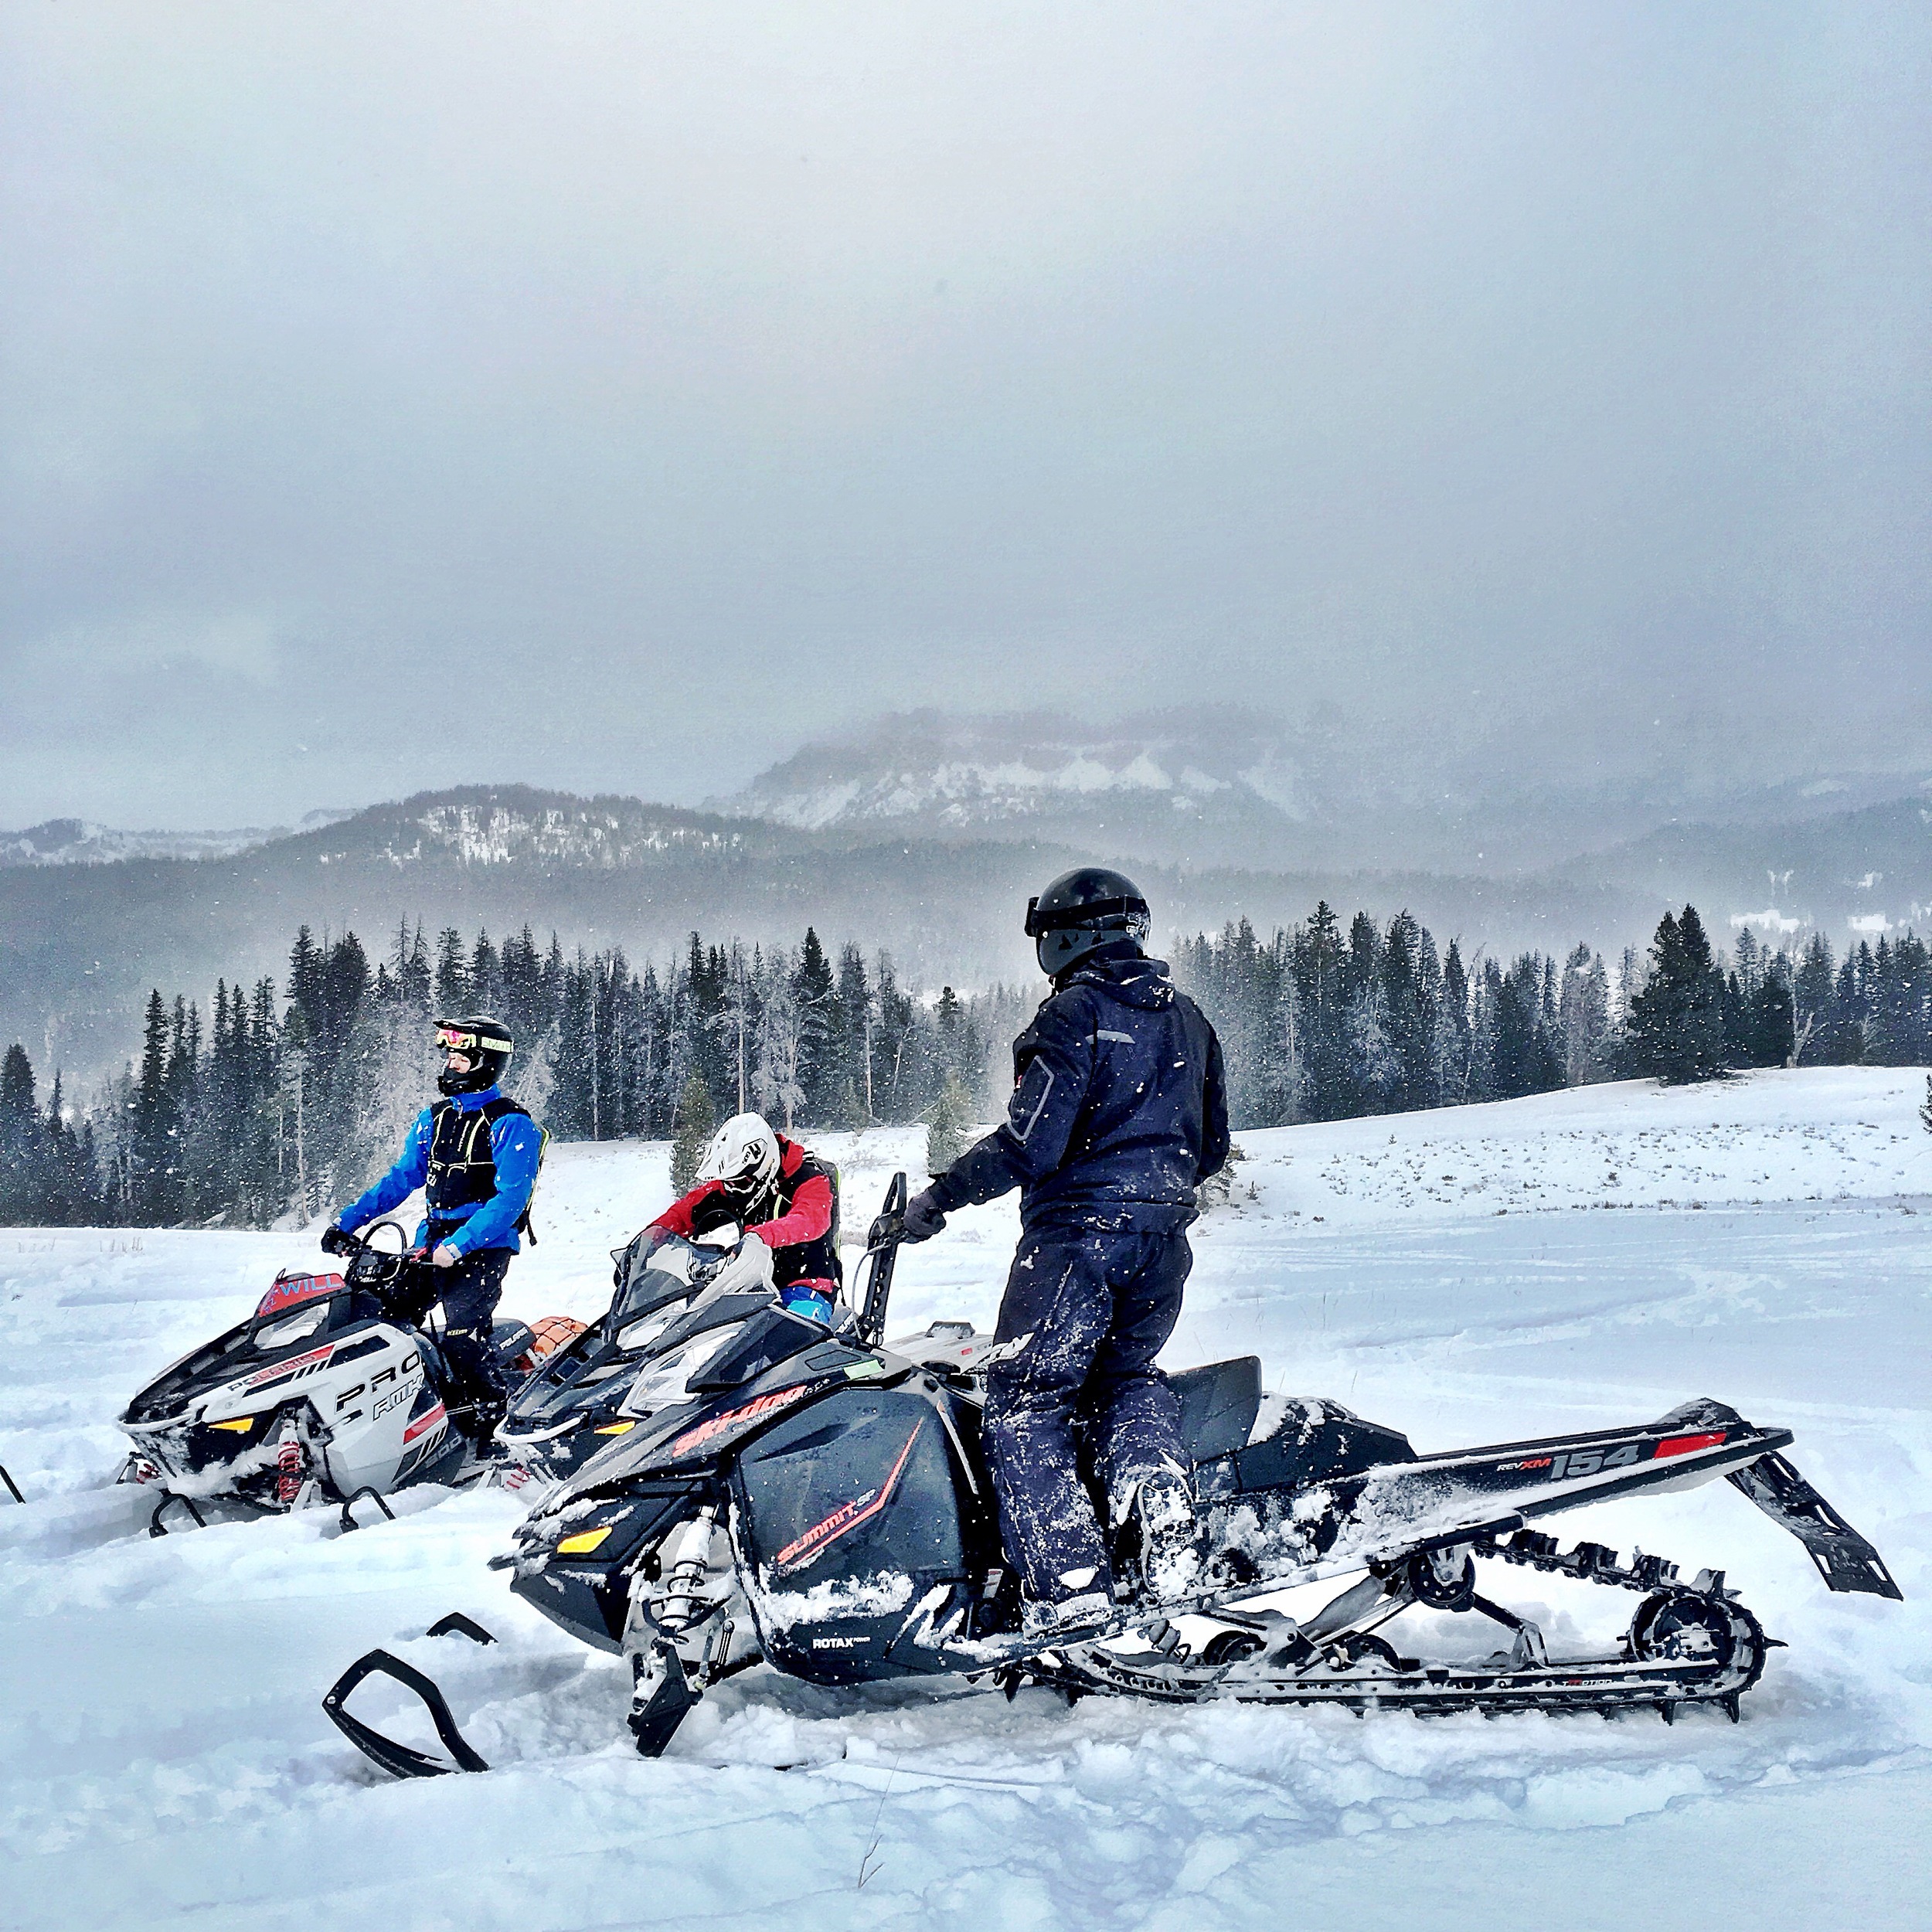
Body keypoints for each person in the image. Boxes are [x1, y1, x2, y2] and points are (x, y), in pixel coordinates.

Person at [899, 867, 1229, 1638]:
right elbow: (1209, 1147)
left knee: (1028, 1399)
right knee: (1127, 1377)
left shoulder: (1072, 1014)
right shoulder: (1187, 1019)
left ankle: (1072, 1587)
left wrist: (938, 1200)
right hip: (1163, 1239)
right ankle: (1157, 1504)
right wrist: (1151, 1188)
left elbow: (1030, 1141)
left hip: (1078, 1240)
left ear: (1070, 936)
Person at [322, 1015, 544, 1454]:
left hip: (481, 1249)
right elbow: (402, 1178)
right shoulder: (434, 1118)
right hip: (429, 1244)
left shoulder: (512, 1123)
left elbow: (510, 1200)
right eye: (448, 1054)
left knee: (462, 1338)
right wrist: (346, 1222)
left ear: (484, 1062)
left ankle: (495, 1436)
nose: (449, 1063)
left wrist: (459, 1245)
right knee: (372, 1320)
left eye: (459, 1056)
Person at [642, 1111, 842, 1321]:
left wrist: (760, 1236)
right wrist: (650, 1239)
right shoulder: (737, 1185)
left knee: (793, 1336)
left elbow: (811, 1220)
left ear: (764, 1165)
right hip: (752, 1286)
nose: (733, 1188)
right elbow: (686, 1211)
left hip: (806, 1288)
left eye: (739, 1181)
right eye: (729, 1182)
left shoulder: (810, 1179)